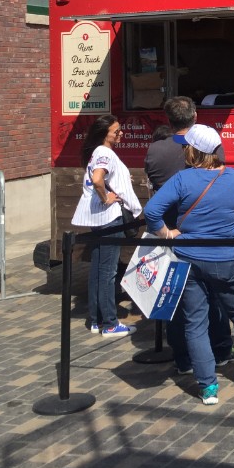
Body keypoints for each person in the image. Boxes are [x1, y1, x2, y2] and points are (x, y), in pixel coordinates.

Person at [144, 124, 234, 405]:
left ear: (192, 151)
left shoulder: (182, 179)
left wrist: (167, 233)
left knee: (195, 322)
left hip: (189, 258)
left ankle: (208, 387)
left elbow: (152, 211)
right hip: (226, 260)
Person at [144, 96, 232, 375]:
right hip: (205, 234)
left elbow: (153, 191)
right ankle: (219, 352)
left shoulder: (155, 150)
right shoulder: (210, 145)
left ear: (168, 120)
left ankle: (183, 358)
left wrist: (165, 232)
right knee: (213, 299)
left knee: (175, 300)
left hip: (170, 234)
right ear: (194, 115)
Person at [72, 114, 142, 338]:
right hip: (110, 217)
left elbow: (102, 177)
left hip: (98, 219)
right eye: (117, 131)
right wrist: (106, 197)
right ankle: (110, 323)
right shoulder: (104, 152)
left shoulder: (97, 152)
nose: (121, 133)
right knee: (108, 271)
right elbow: (97, 178)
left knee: (98, 269)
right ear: (105, 133)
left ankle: (95, 319)